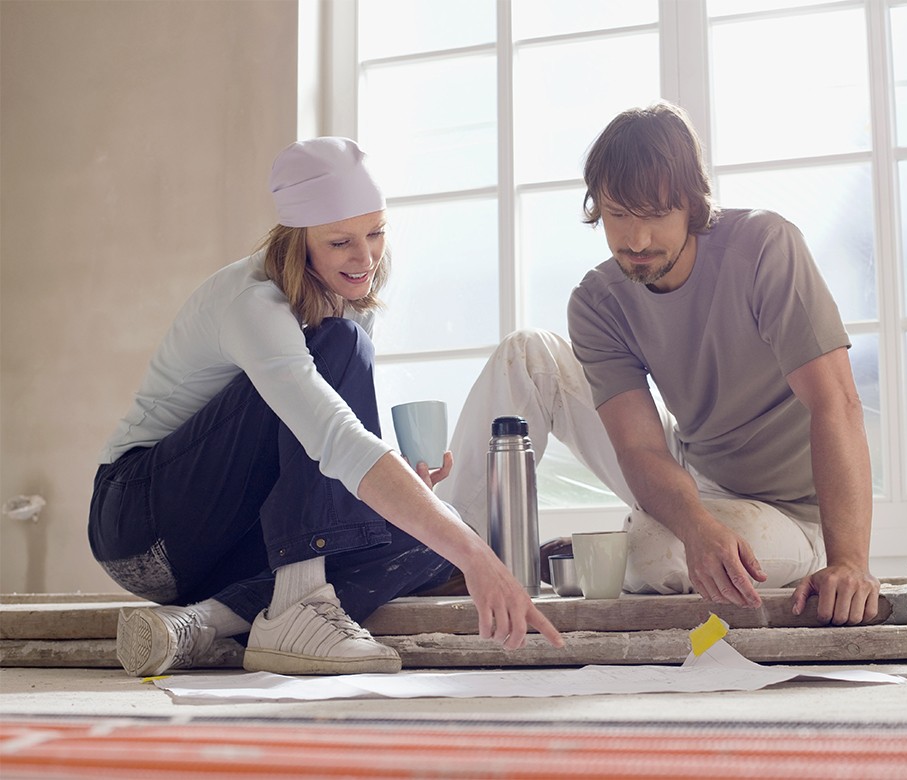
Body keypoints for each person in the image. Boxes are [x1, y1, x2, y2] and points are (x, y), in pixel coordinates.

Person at [89, 137, 563, 677]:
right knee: (344, 350)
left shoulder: (347, 303)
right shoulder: (253, 303)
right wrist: (479, 556)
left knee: (433, 544)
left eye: (376, 232)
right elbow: (335, 438)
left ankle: (200, 624)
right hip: (137, 519)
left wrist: (410, 503)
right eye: (340, 242)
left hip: (219, 551)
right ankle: (296, 605)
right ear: (299, 243)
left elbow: (321, 468)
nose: (364, 258)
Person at [438, 102, 880, 625]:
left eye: (655, 215)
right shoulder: (598, 299)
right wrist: (695, 524)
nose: (637, 240)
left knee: (653, 550)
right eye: (619, 215)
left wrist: (850, 561)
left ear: (692, 205)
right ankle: (446, 556)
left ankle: (594, 556)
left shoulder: (766, 247)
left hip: (792, 514)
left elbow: (838, 403)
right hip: (691, 471)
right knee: (528, 353)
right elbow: (640, 446)